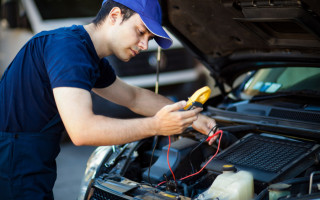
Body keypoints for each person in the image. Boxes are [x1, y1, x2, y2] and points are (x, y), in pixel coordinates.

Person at [0, 0, 217, 199]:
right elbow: (82, 130)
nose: (144, 45)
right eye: (141, 32)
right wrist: (157, 126)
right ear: (115, 16)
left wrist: (191, 117)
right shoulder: (67, 49)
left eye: (149, 39)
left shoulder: (86, 52)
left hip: (32, 158)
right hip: (13, 162)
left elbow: (134, 97)